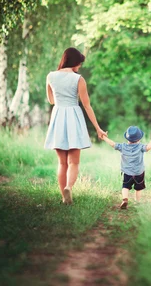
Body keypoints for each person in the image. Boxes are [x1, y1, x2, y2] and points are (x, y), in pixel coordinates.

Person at [44, 47, 107, 205]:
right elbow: (87, 106)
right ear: (74, 62)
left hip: (58, 116)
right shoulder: (78, 79)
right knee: (74, 162)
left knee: (62, 162)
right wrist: (98, 128)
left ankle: (63, 196)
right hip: (73, 118)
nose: (79, 67)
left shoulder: (51, 76)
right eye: (79, 63)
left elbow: (51, 100)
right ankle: (68, 188)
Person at [100, 126, 151, 209]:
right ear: (139, 139)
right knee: (138, 188)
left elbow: (113, 144)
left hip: (127, 173)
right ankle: (137, 202)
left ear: (127, 138)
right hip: (139, 172)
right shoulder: (141, 147)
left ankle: (125, 199)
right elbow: (148, 148)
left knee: (125, 186)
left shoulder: (122, 146)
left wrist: (104, 138)